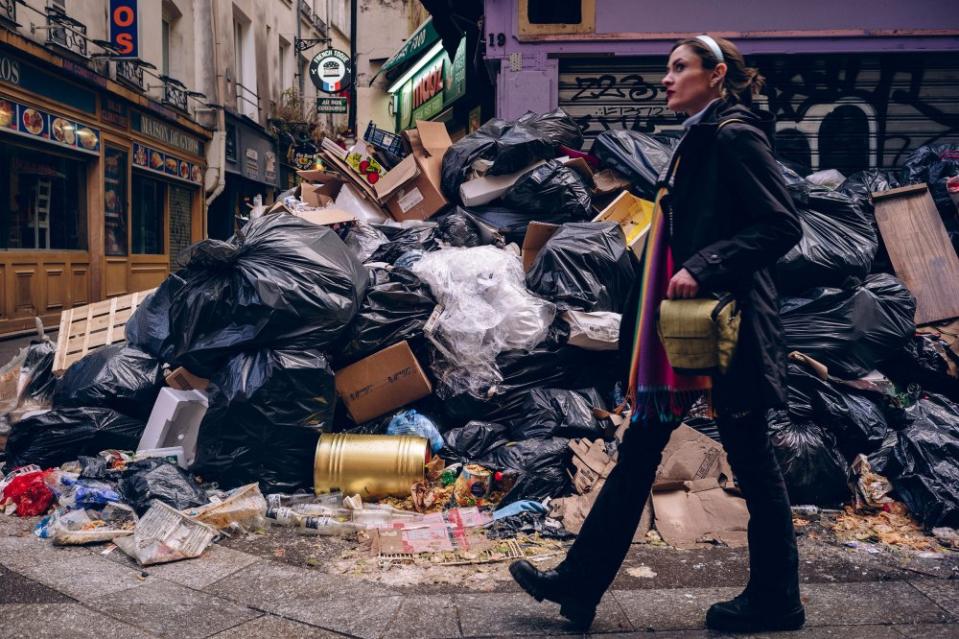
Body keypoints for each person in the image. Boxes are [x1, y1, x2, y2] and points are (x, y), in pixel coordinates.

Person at [509, 35, 805, 633]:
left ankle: (778, 600)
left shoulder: (732, 135)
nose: (665, 79)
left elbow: (781, 225)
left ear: (716, 75)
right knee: (641, 447)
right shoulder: (695, 137)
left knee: (752, 461)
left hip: (728, 328)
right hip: (685, 330)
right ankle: (579, 584)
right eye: (666, 69)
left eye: (679, 68)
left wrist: (704, 266)